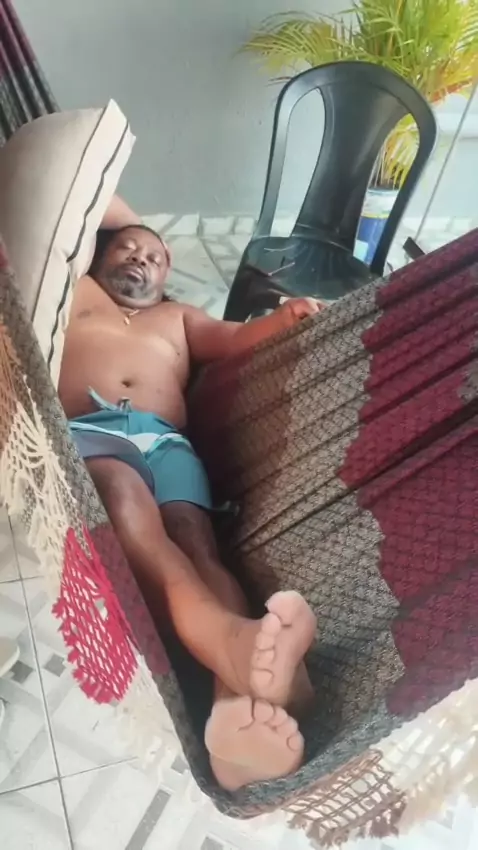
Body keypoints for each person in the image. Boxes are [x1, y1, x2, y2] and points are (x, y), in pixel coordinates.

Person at [58, 198, 321, 791]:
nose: (140, 259)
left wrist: (287, 319)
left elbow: (239, 338)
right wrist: (125, 223)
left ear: (167, 273)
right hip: (89, 430)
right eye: (127, 249)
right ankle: (233, 647)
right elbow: (85, 196)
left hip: (165, 442)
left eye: (154, 256)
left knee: (197, 543)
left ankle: (234, 713)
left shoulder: (179, 318)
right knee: (121, 495)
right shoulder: (78, 290)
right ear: (99, 255)